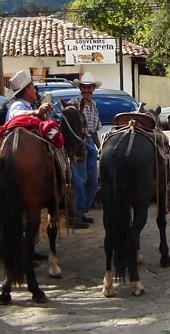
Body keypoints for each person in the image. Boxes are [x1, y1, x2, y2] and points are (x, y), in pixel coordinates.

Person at [4, 70, 59, 258]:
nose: (35, 90)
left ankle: (29, 248)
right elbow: (18, 114)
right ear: (26, 89)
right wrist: (36, 112)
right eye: (32, 87)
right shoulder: (18, 105)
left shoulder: (26, 103)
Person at [67, 72, 102, 228]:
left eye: (89, 87)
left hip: (90, 144)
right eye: (84, 87)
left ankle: (82, 211)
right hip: (79, 144)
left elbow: (94, 130)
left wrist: (100, 147)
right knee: (79, 180)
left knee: (92, 181)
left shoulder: (93, 105)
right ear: (80, 88)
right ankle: (75, 214)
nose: (87, 90)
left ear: (93, 88)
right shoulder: (73, 104)